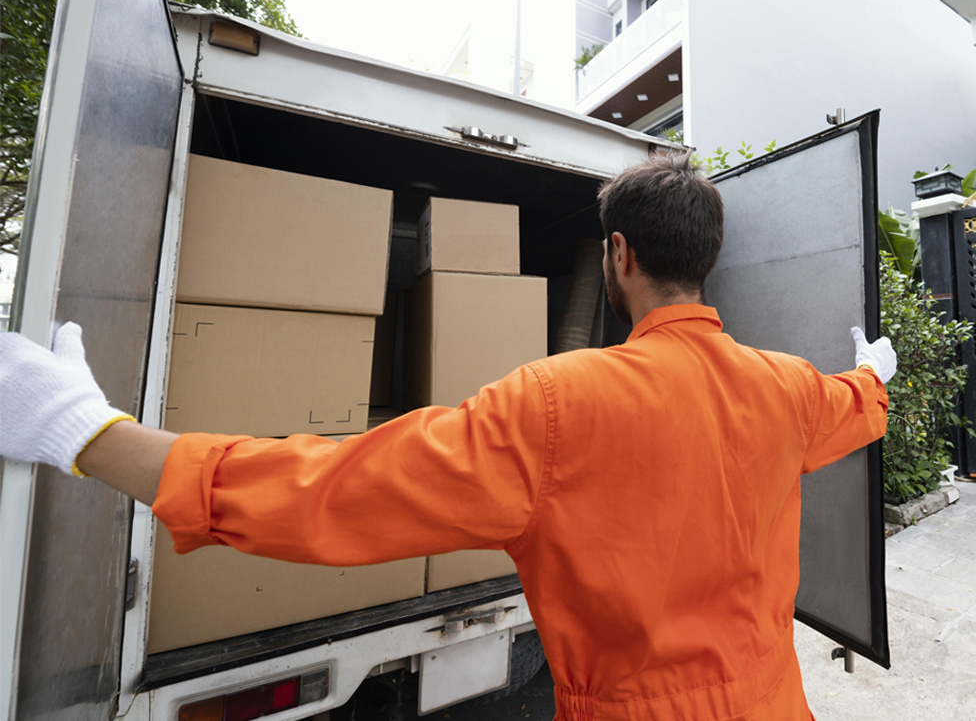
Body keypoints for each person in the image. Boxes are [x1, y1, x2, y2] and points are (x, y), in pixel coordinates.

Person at [0, 154, 895, 721]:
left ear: (619, 255)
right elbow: (855, 406)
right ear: (704, 258)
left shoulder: (557, 404)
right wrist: (878, 373)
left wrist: (92, 434)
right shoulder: (786, 388)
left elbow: (336, 490)